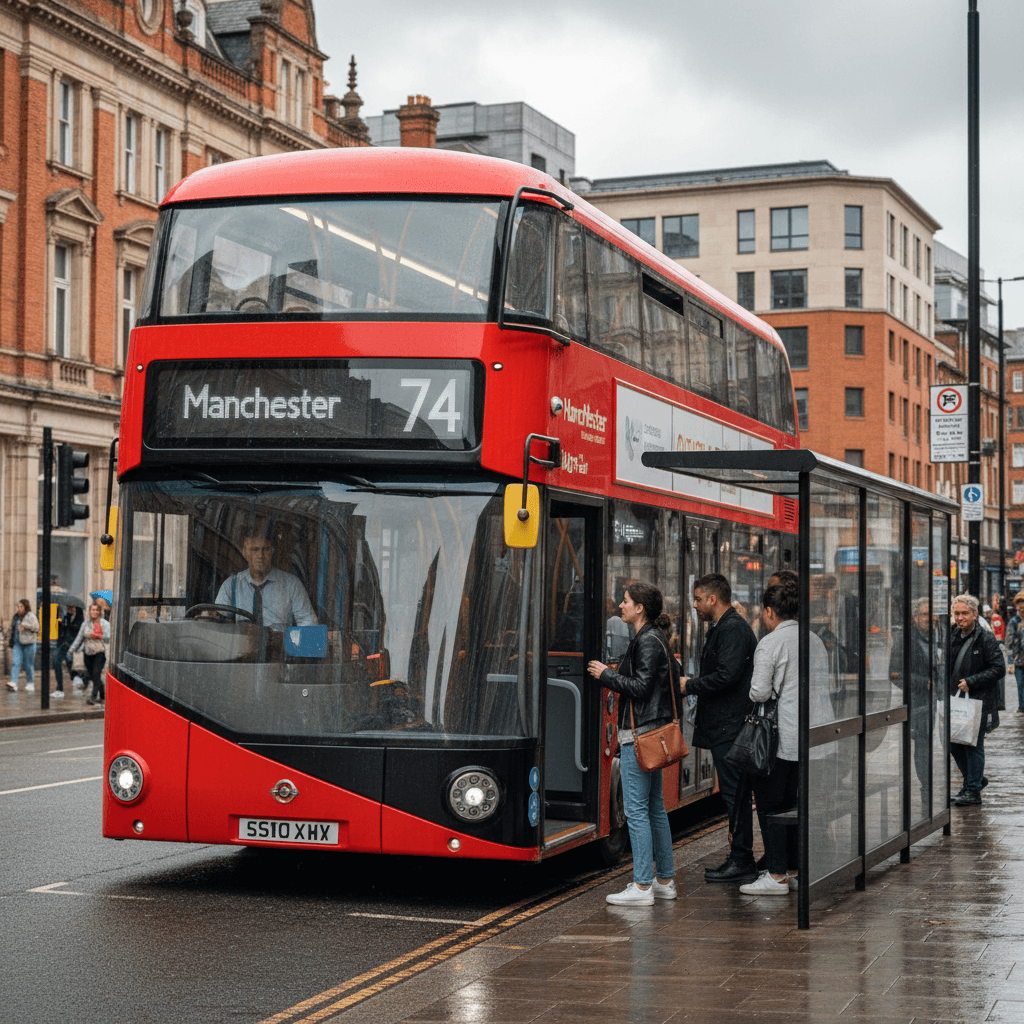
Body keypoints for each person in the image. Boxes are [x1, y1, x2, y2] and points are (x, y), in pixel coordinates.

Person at [587, 581, 677, 906]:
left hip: (637, 736)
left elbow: (639, 688)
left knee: (636, 810)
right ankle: (664, 880)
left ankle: (641, 887)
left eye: (625, 602)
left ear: (640, 608)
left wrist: (605, 675)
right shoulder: (653, 637)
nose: (620, 606)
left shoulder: (647, 640)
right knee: (654, 807)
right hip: (651, 734)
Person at [740, 578, 828, 895]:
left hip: (781, 741)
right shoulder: (814, 640)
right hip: (815, 737)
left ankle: (776, 874)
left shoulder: (771, 643)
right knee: (795, 804)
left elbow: (760, 691)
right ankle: (792, 868)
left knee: (771, 806)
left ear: (768, 611)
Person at [680, 572, 758, 884]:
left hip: (730, 727)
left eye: (698, 599)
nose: (695, 605)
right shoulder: (725, 627)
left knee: (734, 793)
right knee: (733, 794)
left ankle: (742, 859)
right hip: (724, 725)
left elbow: (727, 675)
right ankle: (741, 856)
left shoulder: (733, 628)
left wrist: (690, 685)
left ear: (713, 599)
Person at [948, 594, 1004, 806]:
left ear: (974, 614)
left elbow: (998, 668)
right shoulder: (953, 634)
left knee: (973, 745)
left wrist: (972, 681)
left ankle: (973, 790)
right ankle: (975, 781)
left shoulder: (985, 637)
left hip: (978, 700)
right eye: (957, 613)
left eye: (964, 613)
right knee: (954, 744)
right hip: (957, 700)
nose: (960, 617)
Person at [214, 527, 316, 630]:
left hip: (279, 644)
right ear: (245, 553)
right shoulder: (231, 585)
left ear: (272, 551)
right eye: (255, 550)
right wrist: (211, 615)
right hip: (241, 643)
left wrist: (287, 639)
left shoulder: (292, 584)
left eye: (265, 549)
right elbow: (217, 621)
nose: (260, 555)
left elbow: (309, 624)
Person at [889, 598, 936, 805]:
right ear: (916, 618)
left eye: (932, 614)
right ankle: (926, 787)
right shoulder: (905, 639)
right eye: (924, 614)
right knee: (923, 745)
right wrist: (922, 683)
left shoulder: (941, 636)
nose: (929, 618)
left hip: (943, 700)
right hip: (920, 702)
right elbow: (895, 673)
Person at [69, 602, 110, 705]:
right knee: (93, 676)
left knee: (96, 674)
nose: (94, 612)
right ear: (89, 611)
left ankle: (93, 697)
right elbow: (79, 638)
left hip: (100, 652)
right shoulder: (85, 624)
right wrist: (71, 649)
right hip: (87, 653)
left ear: (99, 612)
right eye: (93, 610)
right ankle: (102, 693)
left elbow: (109, 638)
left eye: (97, 610)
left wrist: (98, 636)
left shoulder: (104, 623)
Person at [51, 603, 84, 700]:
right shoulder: (65, 617)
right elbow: (63, 632)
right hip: (63, 645)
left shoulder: (80, 620)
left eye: (71, 607)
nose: (69, 608)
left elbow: (78, 633)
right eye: (67, 606)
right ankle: (59, 689)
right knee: (56, 663)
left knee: (72, 665)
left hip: (73, 647)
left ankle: (79, 679)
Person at [8, 599, 40, 693]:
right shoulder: (16, 617)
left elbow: (36, 627)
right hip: (17, 644)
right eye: (17, 606)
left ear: (25, 607)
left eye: (20, 606)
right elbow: (13, 628)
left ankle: (30, 682)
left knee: (28, 665)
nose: (18, 608)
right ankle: (13, 683)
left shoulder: (31, 616)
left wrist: (25, 625)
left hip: (29, 644)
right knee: (15, 663)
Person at [1005, 593, 1024, 713]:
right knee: (1021, 684)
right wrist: (1010, 662)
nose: (1022, 609)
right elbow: (1009, 642)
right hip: (1019, 660)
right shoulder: (1014, 622)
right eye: (1020, 607)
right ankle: (1022, 706)